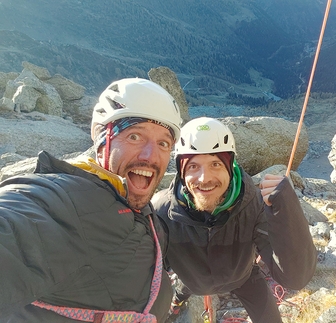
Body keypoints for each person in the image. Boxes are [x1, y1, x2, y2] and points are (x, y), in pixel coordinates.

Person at [0, 78, 182, 322]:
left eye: (163, 143)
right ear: (101, 140)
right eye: (135, 137)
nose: (151, 156)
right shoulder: (63, 200)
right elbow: (16, 228)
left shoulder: (129, 194)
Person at [152, 117, 317, 323]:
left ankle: (178, 300)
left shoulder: (254, 204)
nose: (205, 178)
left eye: (215, 164)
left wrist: (287, 211)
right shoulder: (162, 210)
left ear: (230, 167)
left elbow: (295, 277)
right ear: (181, 173)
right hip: (193, 281)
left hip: (243, 278)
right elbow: (151, 269)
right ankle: (177, 301)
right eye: (193, 166)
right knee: (181, 291)